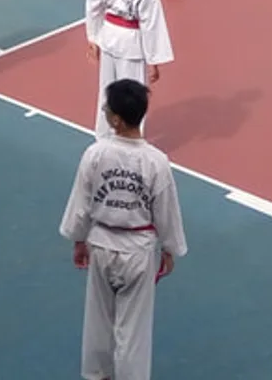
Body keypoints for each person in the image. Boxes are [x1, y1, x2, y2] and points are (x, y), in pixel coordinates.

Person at [59, 80, 184, 380]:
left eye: (107, 108)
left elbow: (81, 202)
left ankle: (96, 374)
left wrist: (79, 239)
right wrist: (170, 248)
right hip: (138, 252)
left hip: (101, 244)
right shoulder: (156, 162)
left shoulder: (95, 154)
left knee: (98, 320)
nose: (104, 111)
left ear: (116, 119)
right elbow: (165, 210)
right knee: (134, 329)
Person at [84, 0, 172, 136]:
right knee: (133, 97)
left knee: (107, 92)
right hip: (131, 43)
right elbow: (150, 22)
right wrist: (153, 59)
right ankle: (130, 140)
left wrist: (93, 36)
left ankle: (103, 137)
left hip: (108, 36)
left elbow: (93, 0)